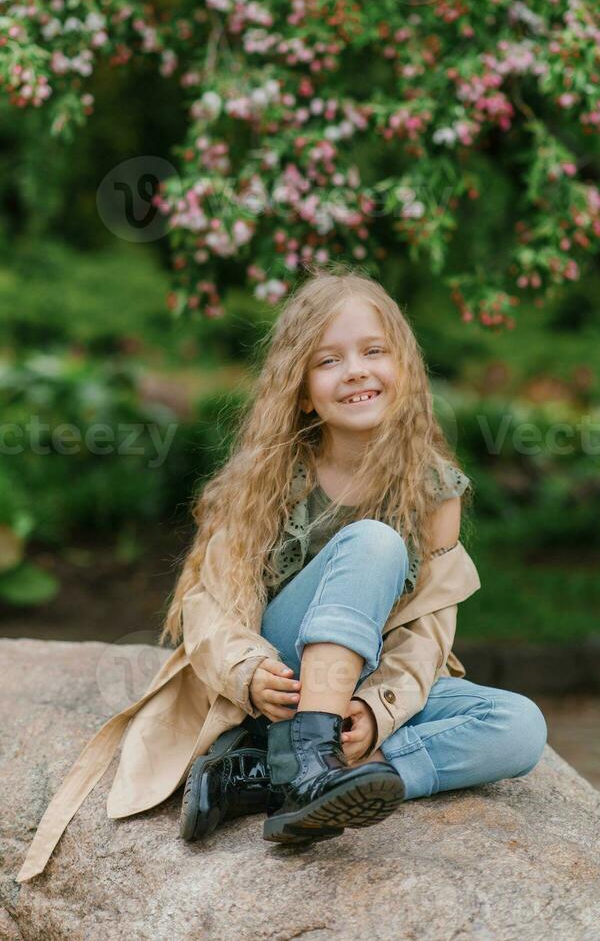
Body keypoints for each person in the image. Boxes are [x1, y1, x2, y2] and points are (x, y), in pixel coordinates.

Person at [15, 263, 548, 881]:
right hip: (280, 672)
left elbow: (428, 633)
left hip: (362, 683)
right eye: (329, 361)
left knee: (519, 728)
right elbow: (207, 607)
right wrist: (247, 673)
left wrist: (376, 712)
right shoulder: (268, 475)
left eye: (374, 351)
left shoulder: (433, 490)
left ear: (403, 367)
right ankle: (306, 760)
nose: (355, 370)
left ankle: (291, 774)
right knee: (373, 543)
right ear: (300, 390)